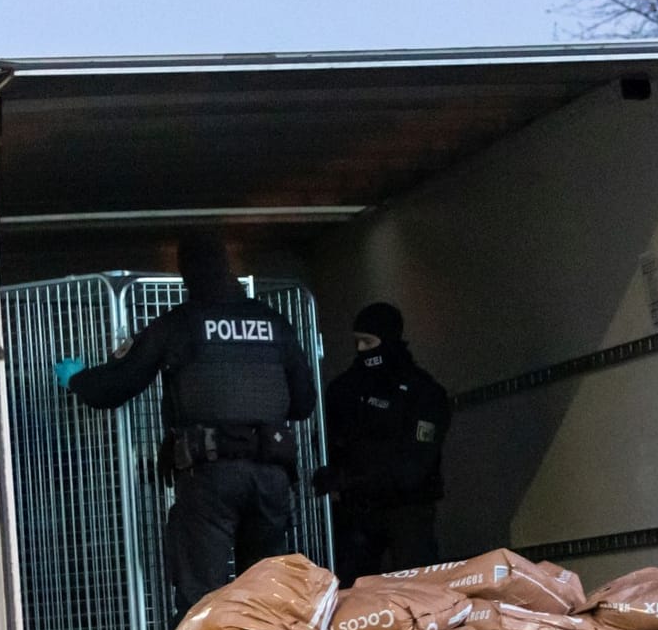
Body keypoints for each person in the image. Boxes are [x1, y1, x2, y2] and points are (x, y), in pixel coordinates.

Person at [53, 232, 315, 610]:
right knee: (267, 597)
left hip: (210, 478)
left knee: (201, 599)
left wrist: (78, 379)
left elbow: (120, 384)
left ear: (186, 273)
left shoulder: (181, 323)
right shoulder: (273, 323)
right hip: (271, 476)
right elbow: (303, 402)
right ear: (229, 268)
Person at [314, 302, 452, 581]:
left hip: (408, 507)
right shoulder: (346, 389)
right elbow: (328, 439)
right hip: (359, 510)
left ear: (388, 339)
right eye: (358, 342)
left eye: (369, 341)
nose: (363, 350)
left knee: (418, 584)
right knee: (351, 587)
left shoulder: (422, 392)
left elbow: (415, 466)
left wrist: (349, 479)